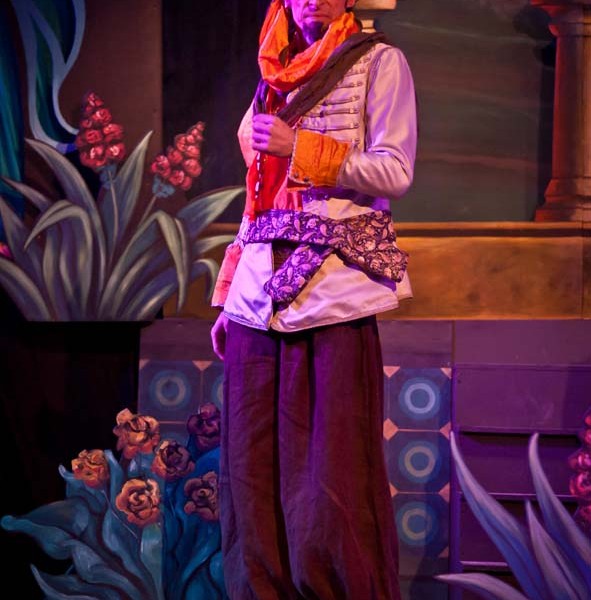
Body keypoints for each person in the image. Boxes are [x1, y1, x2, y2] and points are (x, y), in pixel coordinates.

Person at [210, 0, 417, 598]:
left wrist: (300, 146)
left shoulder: (378, 62)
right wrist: (228, 294)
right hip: (257, 296)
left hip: (331, 289)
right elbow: (256, 195)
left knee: (330, 474)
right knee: (251, 471)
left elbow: (396, 171)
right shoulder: (271, 77)